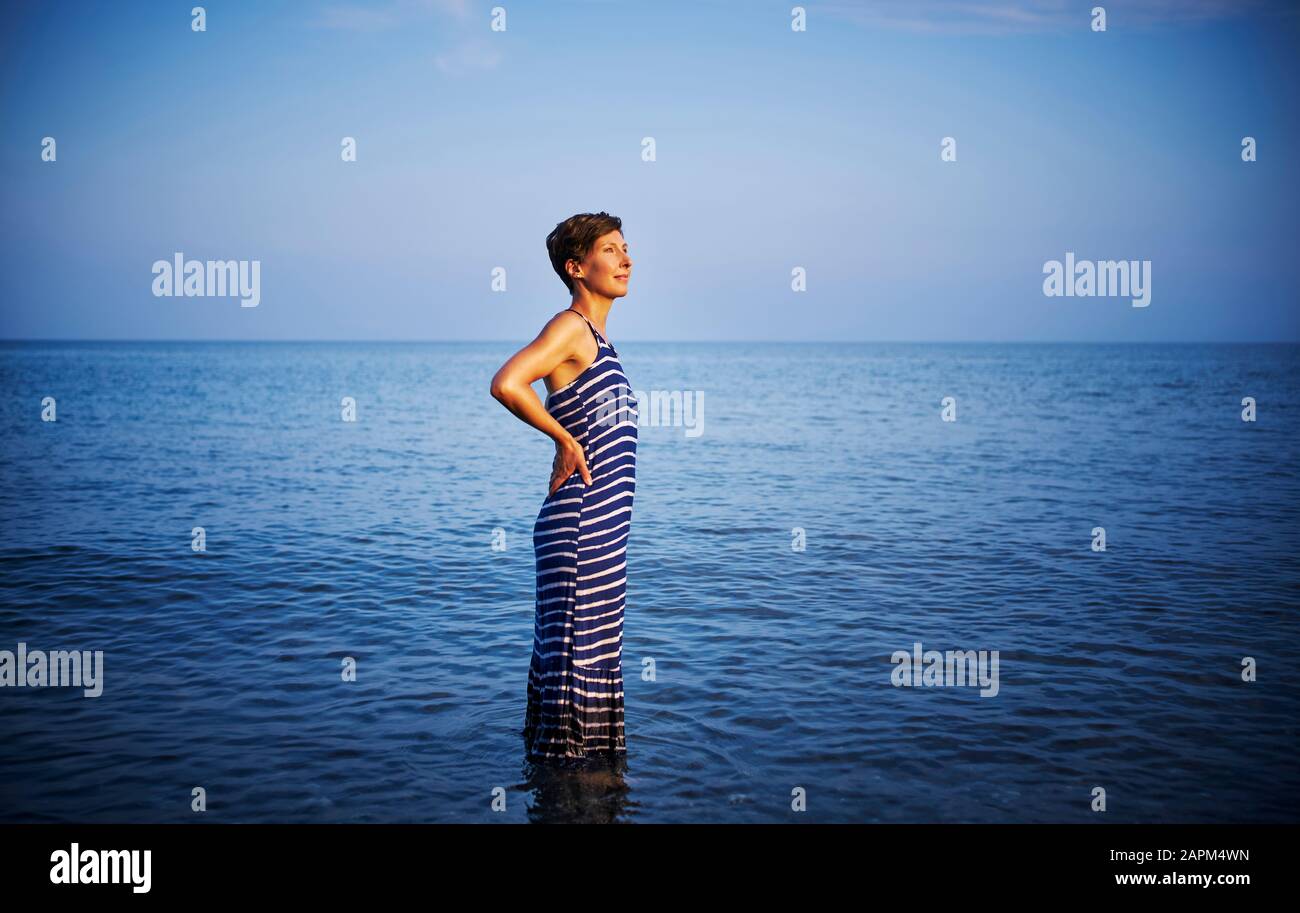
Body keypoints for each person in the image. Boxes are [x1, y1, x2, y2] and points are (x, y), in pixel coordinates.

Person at [489, 211, 639, 760]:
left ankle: (573, 786)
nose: (626, 258)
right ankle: (572, 792)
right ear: (577, 267)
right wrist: (564, 440)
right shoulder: (571, 327)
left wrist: (566, 436)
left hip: (601, 531)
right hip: (578, 527)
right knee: (578, 661)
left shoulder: (600, 341)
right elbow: (507, 383)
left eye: (626, 247)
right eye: (611, 249)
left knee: (588, 659)